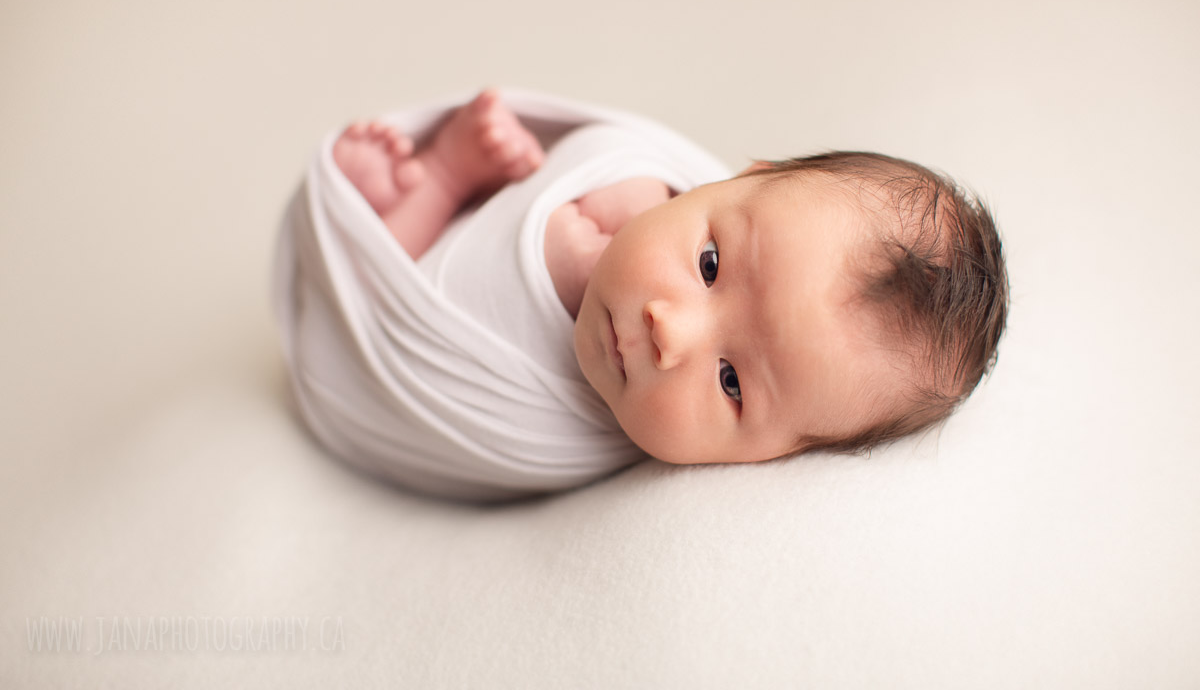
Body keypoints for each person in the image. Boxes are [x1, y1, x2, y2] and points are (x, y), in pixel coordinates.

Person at [274, 88, 1007, 500]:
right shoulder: (643, 179)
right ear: (740, 177)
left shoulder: (553, 429)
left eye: (731, 383)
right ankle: (456, 183)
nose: (671, 332)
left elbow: (399, 356)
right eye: (712, 265)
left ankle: (432, 187)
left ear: (775, 460)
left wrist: (563, 258)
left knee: (379, 290)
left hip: (378, 344)